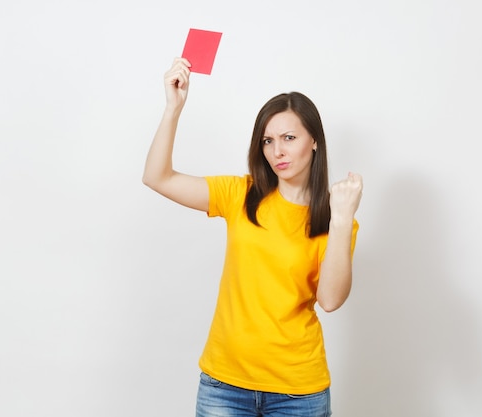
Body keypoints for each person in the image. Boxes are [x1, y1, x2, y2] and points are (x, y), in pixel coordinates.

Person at [142, 57, 363, 417]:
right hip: (224, 385)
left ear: (314, 142)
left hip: (297, 392)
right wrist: (173, 110)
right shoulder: (240, 195)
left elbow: (331, 300)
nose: (277, 151)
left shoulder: (336, 219)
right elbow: (157, 178)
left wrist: (341, 219)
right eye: (268, 141)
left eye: (289, 138)